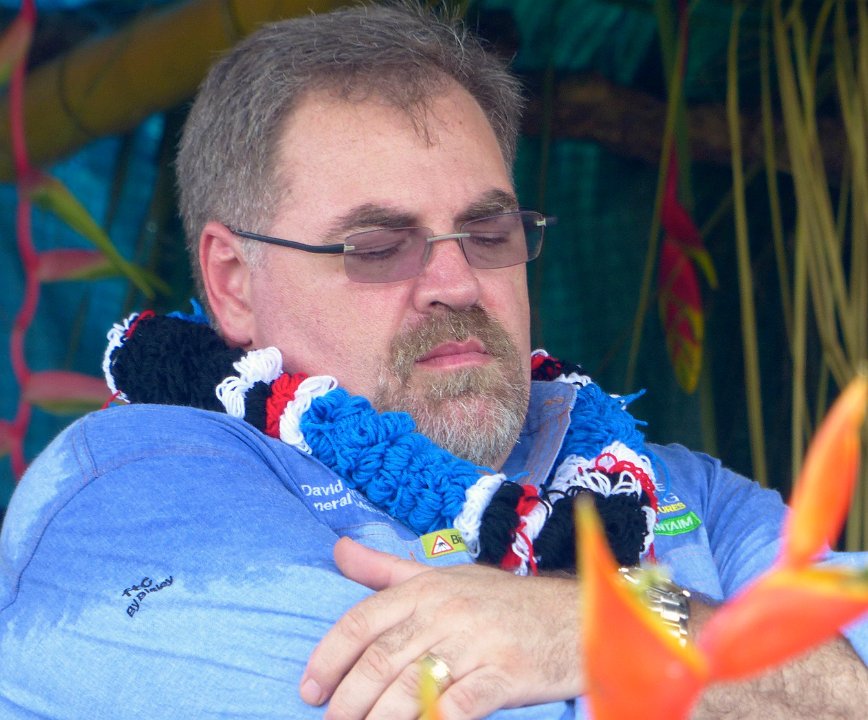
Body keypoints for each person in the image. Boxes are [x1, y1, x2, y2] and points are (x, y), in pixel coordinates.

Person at [1, 3, 866, 718]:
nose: (457, 281)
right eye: (378, 245)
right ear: (232, 280)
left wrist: (605, 623)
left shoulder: (683, 490)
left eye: (489, 232)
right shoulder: (128, 487)